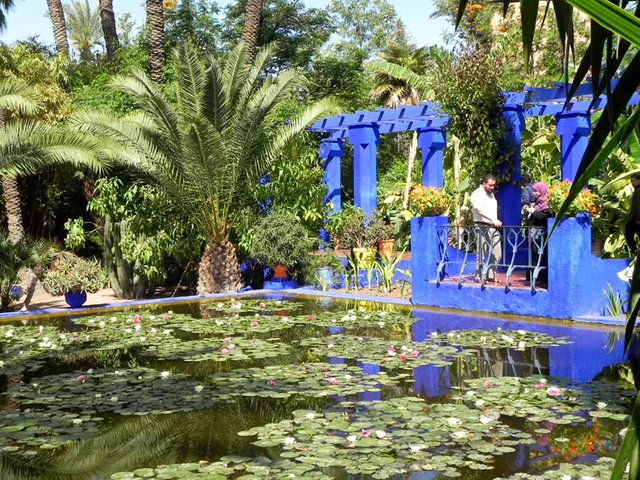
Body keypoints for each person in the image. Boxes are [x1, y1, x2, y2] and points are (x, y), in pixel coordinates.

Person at [470, 173, 502, 283]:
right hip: (481, 225)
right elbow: (480, 210)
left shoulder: (491, 194)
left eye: (494, 185)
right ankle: (479, 275)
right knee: (481, 251)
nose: (492, 188)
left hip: (492, 226)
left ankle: (490, 274)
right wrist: (492, 219)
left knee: (497, 251)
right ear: (484, 183)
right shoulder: (476, 194)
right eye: (490, 185)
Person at [524, 182, 553, 286]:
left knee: (542, 255)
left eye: (536, 191)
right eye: (534, 191)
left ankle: (543, 279)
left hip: (541, 234)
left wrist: (534, 211)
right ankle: (534, 277)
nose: (534, 193)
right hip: (534, 234)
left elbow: (545, 217)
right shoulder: (536, 203)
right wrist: (529, 211)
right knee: (534, 255)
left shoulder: (546, 204)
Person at [624, 174, 640, 253]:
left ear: (639, 181)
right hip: (635, 218)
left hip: (635, 219)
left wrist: (638, 218)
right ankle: (635, 250)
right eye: (631, 181)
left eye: (633, 181)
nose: (632, 183)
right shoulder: (637, 190)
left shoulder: (638, 191)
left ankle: (634, 250)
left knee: (628, 232)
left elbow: (638, 205)